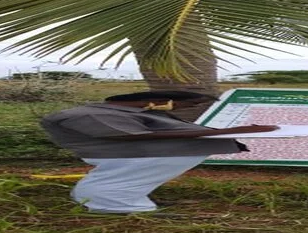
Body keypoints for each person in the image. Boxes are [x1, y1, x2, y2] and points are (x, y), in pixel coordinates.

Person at [39, 91, 280, 215]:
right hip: (139, 153)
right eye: (185, 105)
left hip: (148, 152)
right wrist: (232, 131)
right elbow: (127, 136)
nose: (184, 109)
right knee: (118, 182)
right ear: (163, 100)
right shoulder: (91, 114)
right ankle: (115, 207)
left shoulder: (125, 112)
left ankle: (112, 202)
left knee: (121, 179)